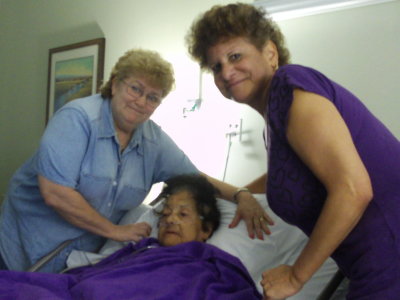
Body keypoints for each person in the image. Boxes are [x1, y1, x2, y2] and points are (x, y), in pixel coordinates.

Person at [186, 3, 400, 300]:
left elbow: (353, 189)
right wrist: (239, 195)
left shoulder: (289, 86)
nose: (226, 71)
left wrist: (296, 276)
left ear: (270, 53)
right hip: (368, 266)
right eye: (216, 66)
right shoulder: (274, 123)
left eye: (235, 56)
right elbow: (292, 175)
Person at [0, 48, 271, 274]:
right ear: (115, 84)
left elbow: (194, 178)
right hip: (20, 245)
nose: (141, 102)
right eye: (136, 89)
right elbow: (55, 193)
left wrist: (240, 194)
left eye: (153, 97)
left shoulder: (153, 142)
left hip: (74, 262)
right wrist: (115, 231)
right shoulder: (78, 119)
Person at [0, 174, 263, 300]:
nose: (170, 219)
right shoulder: (140, 250)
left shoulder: (212, 264)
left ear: (206, 230)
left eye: (183, 215)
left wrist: (243, 195)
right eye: (166, 213)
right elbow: (86, 277)